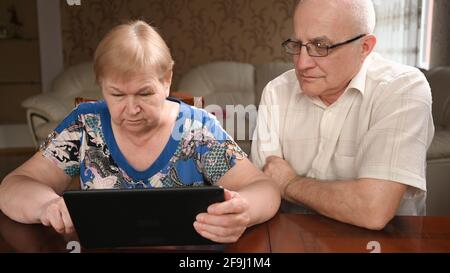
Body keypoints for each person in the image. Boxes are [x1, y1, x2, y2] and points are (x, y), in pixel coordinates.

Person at [0, 20, 280, 243]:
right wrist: (46, 206)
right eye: (117, 94)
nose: (131, 109)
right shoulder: (85, 125)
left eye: (144, 93)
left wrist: (243, 212)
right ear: (101, 86)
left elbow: (264, 189)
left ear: (167, 80)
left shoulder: (197, 128)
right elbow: (13, 185)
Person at [251, 0, 434, 230]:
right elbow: (264, 188)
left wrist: (289, 183)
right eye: (297, 44)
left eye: (321, 45)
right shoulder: (276, 91)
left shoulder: (404, 88)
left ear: (365, 47)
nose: (302, 62)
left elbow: (372, 209)